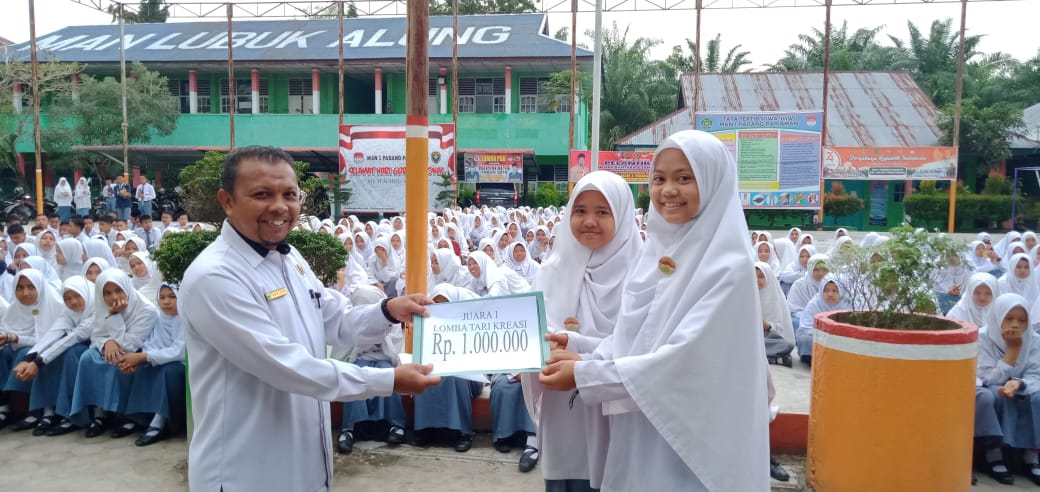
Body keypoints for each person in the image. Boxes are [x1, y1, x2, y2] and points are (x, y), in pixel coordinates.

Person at [178, 146, 440, 491]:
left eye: (289, 194)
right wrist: (388, 381)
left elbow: (337, 321)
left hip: (306, 465)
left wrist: (388, 310)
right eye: (262, 194)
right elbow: (287, 368)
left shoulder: (290, 259)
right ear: (227, 200)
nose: (280, 207)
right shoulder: (216, 277)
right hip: (246, 472)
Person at [540, 130, 770, 491]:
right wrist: (582, 350)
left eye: (684, 178)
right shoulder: (658, 256)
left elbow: (681, 363)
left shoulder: (727, 268)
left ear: (713, 181)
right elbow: (635, 337)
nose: (668, 191)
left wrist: (585, 374)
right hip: (641, 426)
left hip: (689, 439)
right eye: (659, 179)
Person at [522, 170, 643, 491]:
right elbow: (533, 331)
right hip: (563, 406)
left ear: (622, 216)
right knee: (568, 472)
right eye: (580, 211)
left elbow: (638, 342)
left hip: (617, 408)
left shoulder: (641, 277)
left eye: (602, 212)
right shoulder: (551, 271)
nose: (589, 221)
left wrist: (579, 355)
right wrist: (541, 347)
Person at [69, 269, 159, 438]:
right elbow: (96, 336)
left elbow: (130, 344)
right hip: (111, 347)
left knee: (120, 362)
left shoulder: (147, 310)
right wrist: (106, 342)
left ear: (126, 287)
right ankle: (99, 414)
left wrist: (113, 316)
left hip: (136, 352)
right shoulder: (103, 306)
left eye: (118, 290)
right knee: (88, 358)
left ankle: (129, 417)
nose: (114, 297)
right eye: (107, 293)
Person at [10, 275, 94, 435]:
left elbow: (73, 337)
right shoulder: (69, 312)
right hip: (74, 347)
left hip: (94, 350)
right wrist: (29, 358)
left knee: (70, 354)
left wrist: (38, 362)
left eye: (77, 295)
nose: (73, 302)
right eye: (67, 298)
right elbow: (52, 334)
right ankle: (48, 411)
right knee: (55, 354)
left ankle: (71, 415)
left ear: (86, 293)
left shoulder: (96, 310)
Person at [976, 294, 1040, 486]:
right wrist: (1013, 350)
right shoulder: (983, 337)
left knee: (1037, 397)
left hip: (1022, 385)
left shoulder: (1034, 340)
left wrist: (1019, 383)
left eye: (1022, 320)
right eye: (1009, 318)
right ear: (997, 316)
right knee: (995, 395)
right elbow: (986, 377)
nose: (1015, 325)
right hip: (992, 386)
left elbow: (1036, 374)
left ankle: (1032, 455)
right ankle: (994, 454)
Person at [120, 283, 186, 446]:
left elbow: (180, 351)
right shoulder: (159, 318)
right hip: (162, 360)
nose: (166, 302)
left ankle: (159, 423)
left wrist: (146, 356)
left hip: (184, 364)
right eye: (162, 298)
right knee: (143, 368)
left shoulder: (186, 318)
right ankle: (140, 418)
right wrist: (142, 358)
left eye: (172, 297)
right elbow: (150, 342)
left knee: (170, 371)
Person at [0, 269, 63, 429]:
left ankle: (40, 409)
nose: (25, 293)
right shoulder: (15, 308)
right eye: (20, 288)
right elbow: (6, 330)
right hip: (20, 350)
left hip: (48, 352)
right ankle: (4, 406)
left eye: (31, 287)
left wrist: (14, 338)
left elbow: (46, 340)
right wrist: (5, 338)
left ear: (40, 286)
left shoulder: (55, 306)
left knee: (26, 352)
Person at [795, 275, 852, 365]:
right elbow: (805, 327)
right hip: (818, 338)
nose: (830, 294)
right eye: (826, 290)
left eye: (834, 291)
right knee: (804, 340)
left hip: (841, 340)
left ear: (842, 291)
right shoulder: (815, 304)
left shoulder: (849, 305)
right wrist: (824, 336)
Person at [757, 262, 795, 367]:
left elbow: (781, 329)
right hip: (750, 337)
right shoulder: (746, 295)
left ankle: (764, 355)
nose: (757, 280)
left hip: (769, 338)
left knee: (787, 344)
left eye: (761, 276)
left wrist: (768, 326)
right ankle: (774, 358)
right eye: (754, 276)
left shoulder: (776, 298)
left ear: (768, 277)